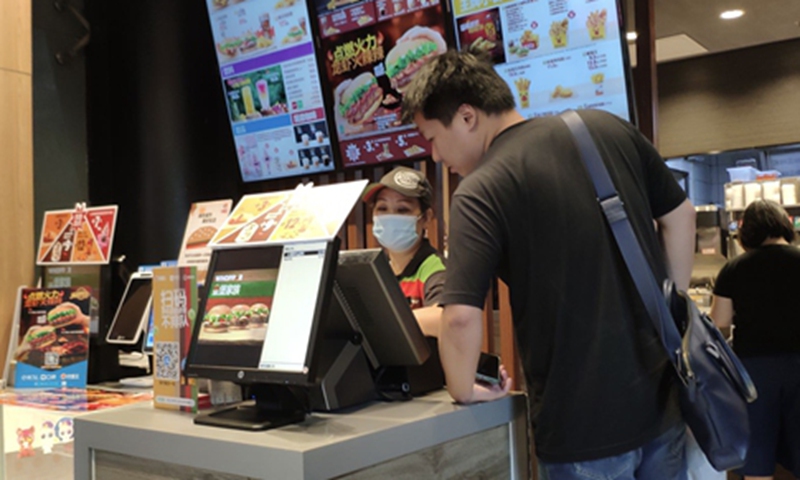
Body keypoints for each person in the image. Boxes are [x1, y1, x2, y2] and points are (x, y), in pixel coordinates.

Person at [401, 50, 696, 479]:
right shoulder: (605, 128)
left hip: (578, 427)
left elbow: (461, 317)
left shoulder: (479, 190)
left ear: (467, 117)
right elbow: (681, 217)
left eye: (432, 138)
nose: (435, 156)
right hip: (660, 404)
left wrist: (462, 388)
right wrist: (674, 309)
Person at [710, 199, 800, 480]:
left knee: (757, 461)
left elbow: (719, 323)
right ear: (785, 225)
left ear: (746, 234)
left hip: (754, 373)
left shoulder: (734, 268)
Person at [362, 166, 445, 337]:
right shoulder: (373, 268)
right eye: (382, 208)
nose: (390, 217)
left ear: (426, 217)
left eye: (403, 210)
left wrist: (381, 323)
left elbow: (444, 318)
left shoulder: (434, 267)